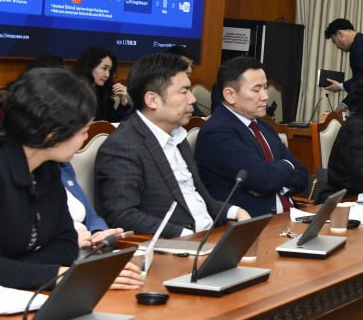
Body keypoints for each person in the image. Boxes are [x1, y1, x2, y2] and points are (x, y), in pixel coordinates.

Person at [0, 68, 141, 290]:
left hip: (16, 293)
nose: (85, 139)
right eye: (83, 131)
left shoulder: (46, 166)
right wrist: (67, 276)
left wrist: (14, 270)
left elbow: (66, 245)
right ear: (52, 133)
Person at [96, 53, 251, 237]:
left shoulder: (177, 136)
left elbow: (201, 200)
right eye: (184, 91)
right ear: (152, 100)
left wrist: (236, 212)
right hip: (174, 247)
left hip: (208, 237)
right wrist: (184, 236)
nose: (192, 99)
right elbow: (123, 215)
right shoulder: (122, 146)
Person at [195, 56, 309, 217]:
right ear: (230, 95)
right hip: (252, 223)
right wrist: (288, 166)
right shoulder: (217, 132)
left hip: (291, 216)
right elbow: (262, 179)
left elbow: (302, 174)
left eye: (265, 88)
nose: (265, 96)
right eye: (256, 90)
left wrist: (276, 182)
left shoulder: (263, 126)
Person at [72, 46, 132, 122]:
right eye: (104, 68)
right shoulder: (73, 91)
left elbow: (113, 123)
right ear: (90, 66)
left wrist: (123, 103)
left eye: (109, 70)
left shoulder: (103, 92)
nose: (107, 75)